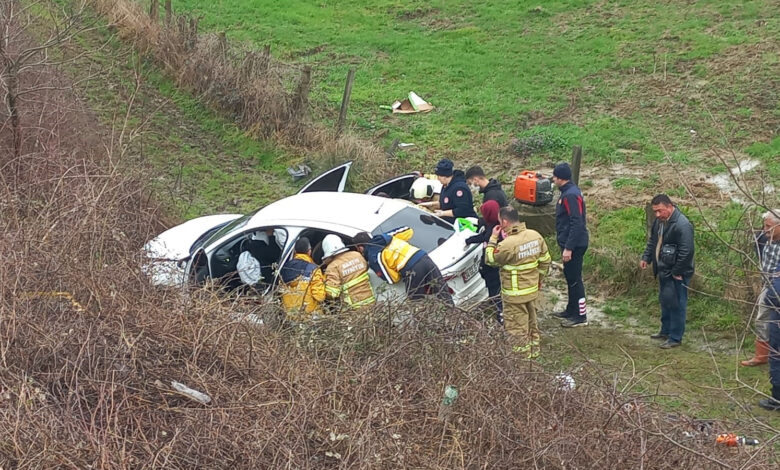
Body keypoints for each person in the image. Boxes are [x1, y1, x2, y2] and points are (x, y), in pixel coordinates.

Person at [485, 206, 551, 358]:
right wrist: (538, 280)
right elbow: (545, 261)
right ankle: (534, 356)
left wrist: (493, 239)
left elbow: (490, 259)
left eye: (500, 221)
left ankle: (520, 364)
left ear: (505, 222)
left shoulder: (508, 244)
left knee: (517, 331)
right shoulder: (535, 236)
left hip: (514, 296)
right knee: (532, 325)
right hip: (532, 291)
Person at [640, 194, 695, 349]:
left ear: (670, 207)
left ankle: (675, 337)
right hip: (663, 269)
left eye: (660, 211)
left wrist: (677, 271)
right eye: (655, 211)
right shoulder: (660, 222)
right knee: (665, 301)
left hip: (677, 272)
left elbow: (687, 251)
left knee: (677, 304)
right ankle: (665, 331)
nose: (657, 215)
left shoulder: (682, 225)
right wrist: (646, 257)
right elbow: (653, 241)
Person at [353, 227, 453, 304]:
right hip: (423, 257)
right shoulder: (386, 237)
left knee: (417, 302)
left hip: (412, 269)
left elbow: (392, 279)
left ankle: (422, 327)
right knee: (443, 292)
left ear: (360, 248)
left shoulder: (373, 256)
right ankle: (454, 320)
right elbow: (408, 230)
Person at [552, 162, 589, 328]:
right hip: (570, 242)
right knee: (570, 277)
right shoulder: (569, 191)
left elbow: (576, 222)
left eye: (554, 177)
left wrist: (569, 248)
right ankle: (571, 309)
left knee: (575, 280)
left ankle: (580, 315)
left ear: (560, 178)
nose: (553, 179)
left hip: (574, 245)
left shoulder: (570, 196)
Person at [744, 210, 780, 366]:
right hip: (768, 285)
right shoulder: (763, 239)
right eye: (765, 226)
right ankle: (761, 355)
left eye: (769, 226)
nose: (765, 229)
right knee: (762, 317)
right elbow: (758, 252)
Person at [465, 200, 504, 324]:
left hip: (492, 266)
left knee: (494, 289)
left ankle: (500, 312)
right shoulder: (498, 224)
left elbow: (485, 238)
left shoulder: (494, 231)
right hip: (498, 265)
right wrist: (470, 240)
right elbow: (483, 236)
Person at [322, 234, 376, 310]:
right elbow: (368, 270)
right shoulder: (357, 255)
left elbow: (332, 293)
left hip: (354, 309)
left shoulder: (332, 267)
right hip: (372, 302)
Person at [279, 237, 326, 321]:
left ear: (295, 252)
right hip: (310, 316)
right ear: (309, 251)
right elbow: (319, 296)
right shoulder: (314, 269)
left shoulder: (284, 268)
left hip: (290, 317)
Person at [432, 158, 477, 223]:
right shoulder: (446, 185)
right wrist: (430, 204)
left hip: (464, 224)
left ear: (444, 176)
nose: (438, 179)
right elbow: (446, 203)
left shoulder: (459, 188)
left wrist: (443, 213)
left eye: (439, 177)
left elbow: (462, 210)